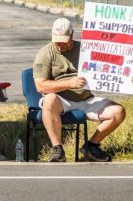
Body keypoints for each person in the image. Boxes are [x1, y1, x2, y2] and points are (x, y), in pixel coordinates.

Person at [33, 18, 126, 162]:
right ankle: (58, 149)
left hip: (86, 99)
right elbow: (41, 86)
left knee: (118, 112)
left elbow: (109, 68)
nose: (60, 44)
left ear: (71, 35)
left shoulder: (85, 49)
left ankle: (91, 146)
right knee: (49, 100)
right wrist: (69, 83)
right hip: (61, 100)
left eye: (64, 40)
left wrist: (126, 77)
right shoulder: (45, 53)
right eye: (57, 40)